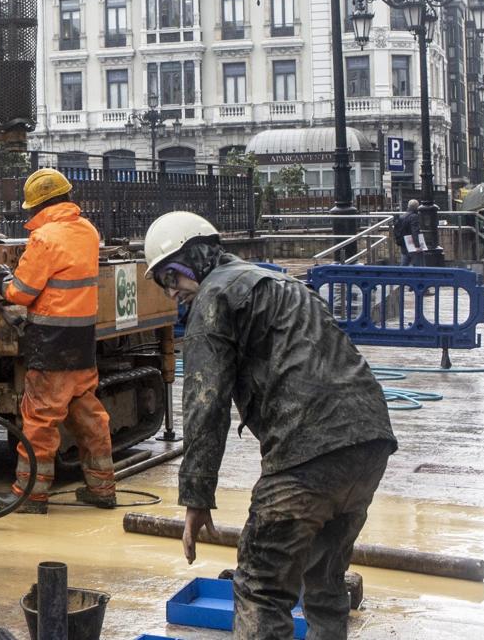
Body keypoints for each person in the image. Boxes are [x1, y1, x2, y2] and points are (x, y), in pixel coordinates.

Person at [143, 211, 397, 639]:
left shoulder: (214, 297)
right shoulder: (281, 283)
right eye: (163, 283)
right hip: (370, 442)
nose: (172, 293)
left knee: (261, 588)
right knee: (325, 576)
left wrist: (197, 496)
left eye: (172, 276)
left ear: (197, 258)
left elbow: (206, 404)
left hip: (308, 452)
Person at [0, 168, 115, 514]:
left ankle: (30, 494)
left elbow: (22, 293)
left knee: (40, 420)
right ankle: (102, 488)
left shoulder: (44, 237)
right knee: (88, 415)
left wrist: (2, 281)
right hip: (82, 340)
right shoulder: (88, 231)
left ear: (37, 206)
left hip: (51, 342)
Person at [393, 199, 423, 265]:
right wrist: (417, 245)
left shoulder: (402, 216)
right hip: (412, 245)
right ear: (417, 207)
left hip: (404, 244)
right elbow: (414, 231)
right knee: (418, 266)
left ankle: (400, 274)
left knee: (404, 264)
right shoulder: (414, 217)